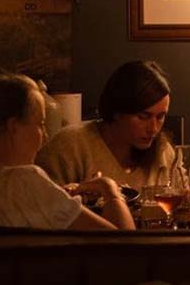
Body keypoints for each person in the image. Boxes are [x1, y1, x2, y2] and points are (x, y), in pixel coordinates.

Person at [0, 73, 134, 232]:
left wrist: (57, 195)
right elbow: (123, 248)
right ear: (13, 127)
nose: (45, 136)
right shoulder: (25, 182)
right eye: (40, 124)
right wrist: (111, 190)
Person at [36, 60, 174, 190]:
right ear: (117, 112)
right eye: (143, 117)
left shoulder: (162, 151)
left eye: (160, 117)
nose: (153, 128)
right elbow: (43, 207)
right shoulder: (71, 146)